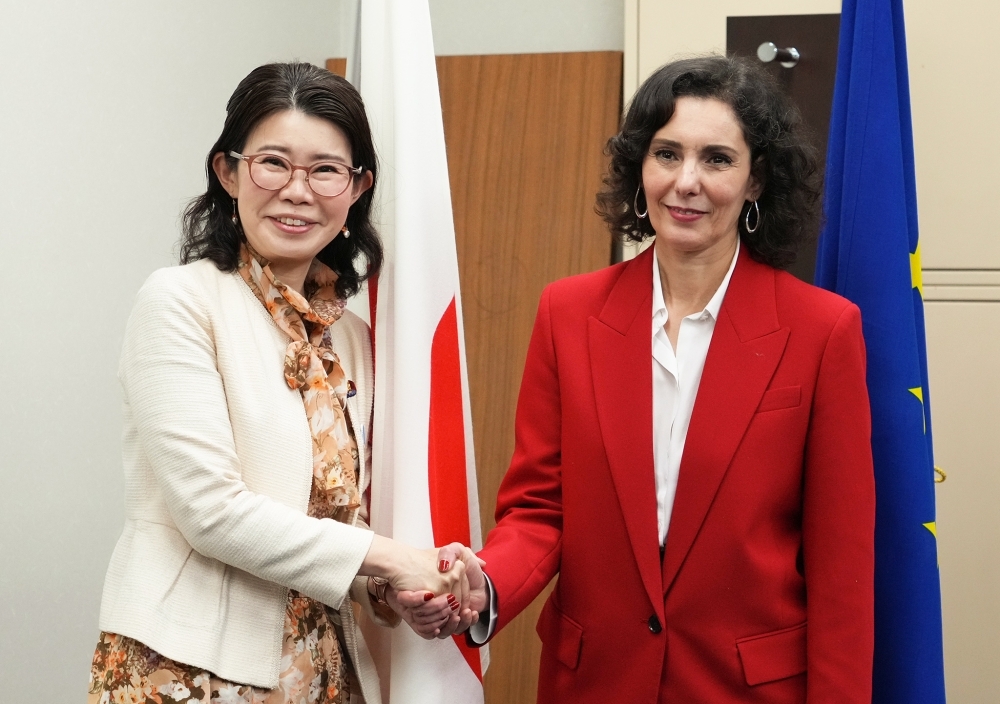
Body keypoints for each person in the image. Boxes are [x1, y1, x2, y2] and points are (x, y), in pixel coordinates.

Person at [415, 55, 877, 702]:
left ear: (756, 181)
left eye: (717, 159)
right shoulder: (567, 313)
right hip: (595, 684)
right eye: (666, 153)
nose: (686, 181)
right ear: (641, 166)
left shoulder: (822, 331)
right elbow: (540, 511)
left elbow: (842, 571)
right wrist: (483, 582)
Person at [87, 62, 473, 704]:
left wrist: (394, 592)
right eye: (273, 163)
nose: (298, 191)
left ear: (357, 188)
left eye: (325, 170)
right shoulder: (180, 302)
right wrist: (394, 558)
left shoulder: (351, 336)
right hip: (186, 674)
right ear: (228, 172)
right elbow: (211, 513)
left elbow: (336, 521)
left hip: (325, 672)